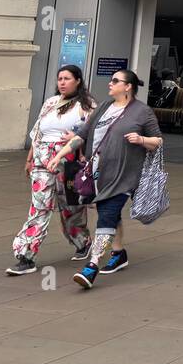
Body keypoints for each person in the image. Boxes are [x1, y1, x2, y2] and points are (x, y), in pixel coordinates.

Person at [49, 68, 161, 290]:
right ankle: (118, 253)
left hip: (125, 175)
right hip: (99, 175)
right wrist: (59, 156)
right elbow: (82, 135)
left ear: (128, 86)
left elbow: (158, 141)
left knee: (107, 216)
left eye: (115, 81)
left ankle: (91, 267)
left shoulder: (142, 112)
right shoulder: (103, 107)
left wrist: (141, 139)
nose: (110, 84)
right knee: (108, 212)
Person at [7, 66, 94, 275]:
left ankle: (82, 241)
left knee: (70, 206)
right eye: (59, 79)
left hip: (69, 160)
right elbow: (37, 133)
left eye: (67, 79)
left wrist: (75, 139)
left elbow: (93, 133)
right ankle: (26, 254)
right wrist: (29, 159)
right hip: (42, 161)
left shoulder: (86, 105)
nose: (62, 83)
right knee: (40, 207)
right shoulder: (50, 103)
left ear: (78, 81)